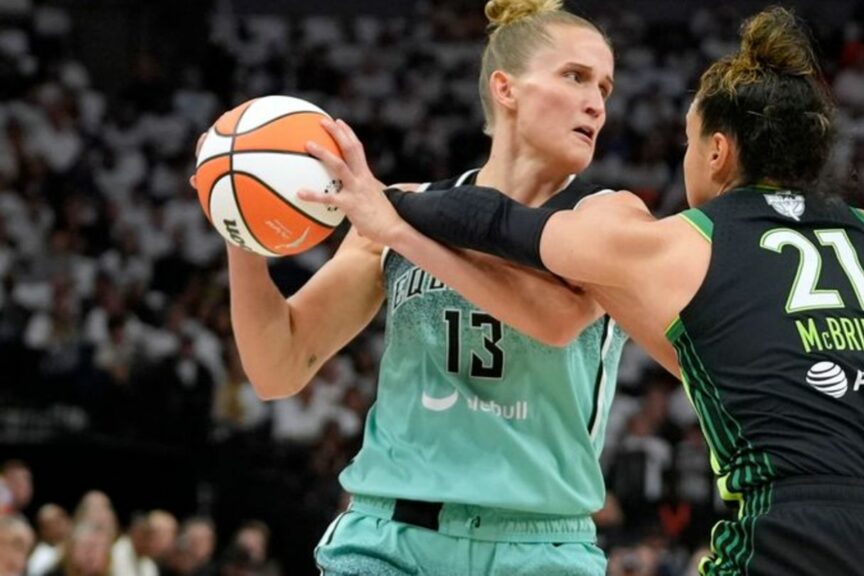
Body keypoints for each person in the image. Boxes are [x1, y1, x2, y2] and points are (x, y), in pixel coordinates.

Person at [308, 7, 864, 575]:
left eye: (690, 144)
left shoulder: (683, 239)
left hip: (803, 527)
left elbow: (498, 222)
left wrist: (388, 207)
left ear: (719, 152)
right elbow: (744, 356)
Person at [193, 0, 626, 573]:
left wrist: (399, 227)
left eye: (605, 87)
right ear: (507, 89)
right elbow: (279, 366)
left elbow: (555, 321)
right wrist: (239, 221)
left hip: (538, 544)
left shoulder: (609, 217)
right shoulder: (396, 209)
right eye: (574, 77)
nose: (595, 103)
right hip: (389, 536)